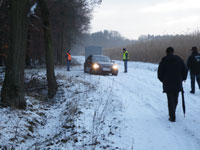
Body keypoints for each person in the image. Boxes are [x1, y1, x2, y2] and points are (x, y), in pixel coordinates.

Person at [158, 47, 188, 122]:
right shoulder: (179, 59)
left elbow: (159, 73)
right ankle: (173, 111)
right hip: (177, 82)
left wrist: (163, 80)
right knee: (175, 98)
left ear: (166, 52)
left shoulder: (164, 60)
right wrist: (183, 78)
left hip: (168, 83)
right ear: (173, 52)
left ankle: (172, 116)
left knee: (170, 99)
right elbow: (185, 69)